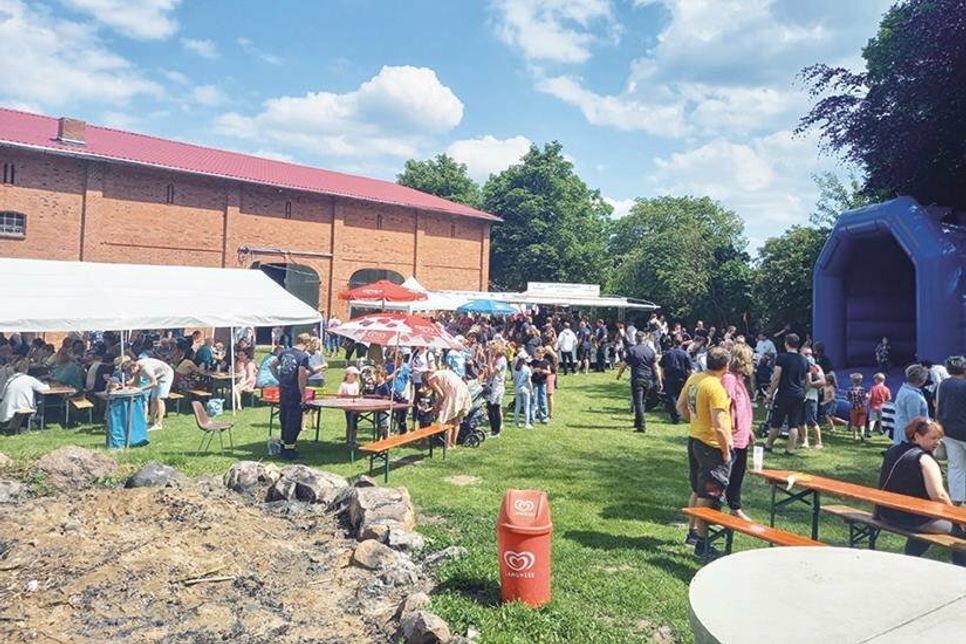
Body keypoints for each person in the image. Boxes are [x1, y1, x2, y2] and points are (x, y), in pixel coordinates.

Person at [876, 417, 965, 566]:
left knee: (925, 518)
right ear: (916, 436)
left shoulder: (892, 450)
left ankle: (910, 558)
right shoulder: (924, 459)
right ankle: (961, 572)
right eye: (933, 438)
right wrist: (956, 517)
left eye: (939, 438)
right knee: (962, 531)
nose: (938, 442)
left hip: (885, 513)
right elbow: (939, 495)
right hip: (910, 518)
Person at [678, 346, 733, 557]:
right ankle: (703, 543)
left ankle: (692, 532)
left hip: (695, 439)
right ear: (726, 366)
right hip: (712, 445)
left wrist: (696, 421)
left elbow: (680, 406)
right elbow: (720, 426)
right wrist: (726, 451)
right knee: (708, 494)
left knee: (697, 488)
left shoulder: (695, 379)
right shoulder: (715, 388)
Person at [722, 344, 754, 520]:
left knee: (737, 475)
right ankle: (712, 514)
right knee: (723, 478)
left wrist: (748, 429)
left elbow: (743, 408)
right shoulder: (729, 379)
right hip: (731, 438)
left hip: (742, 437)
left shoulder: (740, 380)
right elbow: (724, 408)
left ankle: (735, 507)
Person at [764, 333, 808, 455]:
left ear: (786, 343)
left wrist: (770, 393)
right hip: (798, 394)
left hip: (784, 393)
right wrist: (804, 391)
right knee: (793, 423)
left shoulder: (782, 357)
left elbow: (776, 377)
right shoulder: (804, 359)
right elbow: (808, 379)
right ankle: (790, 449)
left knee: (776, 421)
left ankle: (768, 445)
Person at [270, 333, 310, 460]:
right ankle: (289, 450)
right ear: (306, 343)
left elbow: (273, 365)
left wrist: (279, 378)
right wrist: (303, 394)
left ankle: (283, 446)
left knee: (284, 418)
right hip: (294, 391)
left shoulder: (285, 352)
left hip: (283, 389)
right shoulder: (303, 356)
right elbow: (301, 376)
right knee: (294, 421)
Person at [617, 331, 660, 434]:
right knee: (643, 401)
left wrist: (619, 374)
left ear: (636, 339)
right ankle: (637, 422)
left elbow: (624, 364)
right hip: (648, 379)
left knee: (638, 402)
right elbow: (656, 367)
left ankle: (642, 426)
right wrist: (660, 380)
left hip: (637, 378)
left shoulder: (632, 350)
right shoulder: (650, 351)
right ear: (644, 339)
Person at [936, 356, 966, 505]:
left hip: (949, 431)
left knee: (955, 467)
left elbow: (939, 407)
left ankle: (957, 501)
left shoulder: (944, 384)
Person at [426, 368, 472, 447]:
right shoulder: (443, 372)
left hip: (454, 393)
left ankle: (447, 445)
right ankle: (453, 444)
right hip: (463, 390)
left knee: (448, 420)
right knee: (456, 420)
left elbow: (441, 395)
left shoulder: (431, 379)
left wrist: (436, 407)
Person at [0, 360, 49, 428]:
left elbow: (2, 396)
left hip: (6, 411)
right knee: (40, 399)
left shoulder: (10, 380)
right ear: (26, 369)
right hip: (22, 407)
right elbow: (44, 389)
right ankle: (37, 420)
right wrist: (46, 383)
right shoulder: (29, 379)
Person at [893, 364, 929, 445]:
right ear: (921, 379)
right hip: (909, 437)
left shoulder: (904, 389)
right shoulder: (913, 396)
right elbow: (915, 420)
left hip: (902, 432)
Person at [660, 335, 691, 424]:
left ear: (673, 342)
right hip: (682, 378)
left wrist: (663, 376)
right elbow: (689, 369)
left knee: (671, 397)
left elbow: (661, 366)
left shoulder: (667, 353)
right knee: (682, 397)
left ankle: (675, 417)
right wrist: (689, 379)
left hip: (670, 377)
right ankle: (684, 415)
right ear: (682, 343)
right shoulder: (685, 354)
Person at [800, 346, 826, 449]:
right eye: (806, 354)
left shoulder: (816, 367)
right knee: (800, 420)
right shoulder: (797, 365)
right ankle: (805, 441)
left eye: (810, 354)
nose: (808, 356)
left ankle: (818, 442)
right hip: (799, 396)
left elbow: (822, 381)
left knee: (811, 420)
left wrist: (810, 384)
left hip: (811, 396)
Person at [485, 341, 507, 438]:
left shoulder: (501, 360)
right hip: (496, 385)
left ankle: (496, 431)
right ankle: (494, 429)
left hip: (496, 386)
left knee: (493, 408)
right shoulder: (498, 359)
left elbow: (492, 373)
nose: (492, 352)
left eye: (493, 350)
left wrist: (489, 360)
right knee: (493, 408)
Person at [338, 366, 361, 447]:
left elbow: (356, 394)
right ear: (348, 375)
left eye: (355, 376)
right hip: (347, 407)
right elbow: (339, 394)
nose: (354, 377)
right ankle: (348, 440)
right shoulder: (343, 384)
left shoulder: (356, 384)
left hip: (355, 406)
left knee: (354, 423)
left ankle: (354, 440)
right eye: (353, 375)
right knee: (349, 423)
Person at [512, 352, 533, 429]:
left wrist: (515, 387)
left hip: (517, 389)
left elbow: (514, 380)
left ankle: (516, 422)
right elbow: (529, 381)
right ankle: (527, 423)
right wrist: (531, 391)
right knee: (526, 407)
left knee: (517, 406)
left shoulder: (516, 368)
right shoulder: (527, 369)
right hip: (525, 389)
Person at [529, 347, 550, 424]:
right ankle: (532, 418)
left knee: (542, 400)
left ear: (544, 354)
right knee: (533, 400)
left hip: (542, 383)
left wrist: (545, 371)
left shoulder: (546, 362)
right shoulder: (533, 362)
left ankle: (543, 417)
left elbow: (549, 371)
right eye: (538, 352)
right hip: (534, 382)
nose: (540, 354)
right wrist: (535, 370)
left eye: (541, 352)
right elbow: (530, 371)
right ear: (536, 353)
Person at [846, 373, 869, 442]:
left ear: (852, 381)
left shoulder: (849, 389)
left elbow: (847, 398)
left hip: (853, 408)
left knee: (854, 423)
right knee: (862, 422)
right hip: (862, 407)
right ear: (860, 381)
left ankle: (855, 437)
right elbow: (865, 397)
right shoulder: (863, 389)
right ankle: (862, 435)